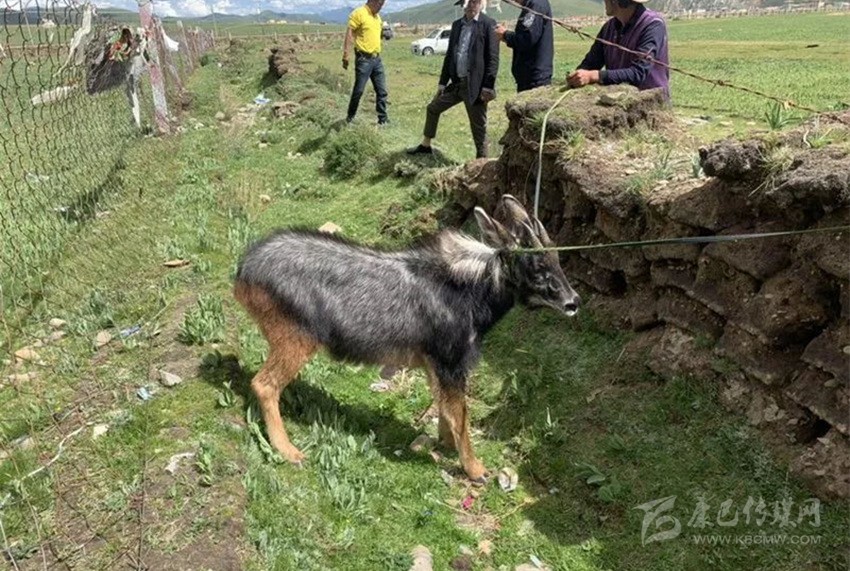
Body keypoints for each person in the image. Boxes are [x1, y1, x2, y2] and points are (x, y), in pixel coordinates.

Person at [407, 0, 499, 159]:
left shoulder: (488, 23)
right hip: (457, 84)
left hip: (475, 87)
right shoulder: (457, 25)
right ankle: (426, 146)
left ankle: (482, 163)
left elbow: (493, 58)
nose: (471, 5)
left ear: (481, 4)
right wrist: (442, 83)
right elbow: (449, 56)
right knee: (433, 108)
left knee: (479, 128)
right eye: (468, 2)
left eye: (475, 2)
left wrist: (487, 87)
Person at [567, 0, 669, 100]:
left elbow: (638, 73)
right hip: (618, 99)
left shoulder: (652, 25)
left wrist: (594, 75)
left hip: (650, 101)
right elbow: (591, 62)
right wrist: (578, 75)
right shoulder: (608, 28)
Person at [342, 0, 389, 125]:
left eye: (382, 5)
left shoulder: (377, 17)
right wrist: (346, 54)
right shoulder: (359, 13)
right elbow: (350, 33)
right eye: (380, 4)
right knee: (359, 91)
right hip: (364, 60)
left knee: (382, 91)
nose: (381, 7)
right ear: (372, 1)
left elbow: (375, 35)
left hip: (376, 59)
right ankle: (350, 118)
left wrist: (385, 34)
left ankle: (383, 120)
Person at [494, 0, 553, 92]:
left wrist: (505, 34)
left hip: (535, 77)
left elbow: (527, 40)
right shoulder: (533, 5)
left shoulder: (536, 5)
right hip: (530, 76)